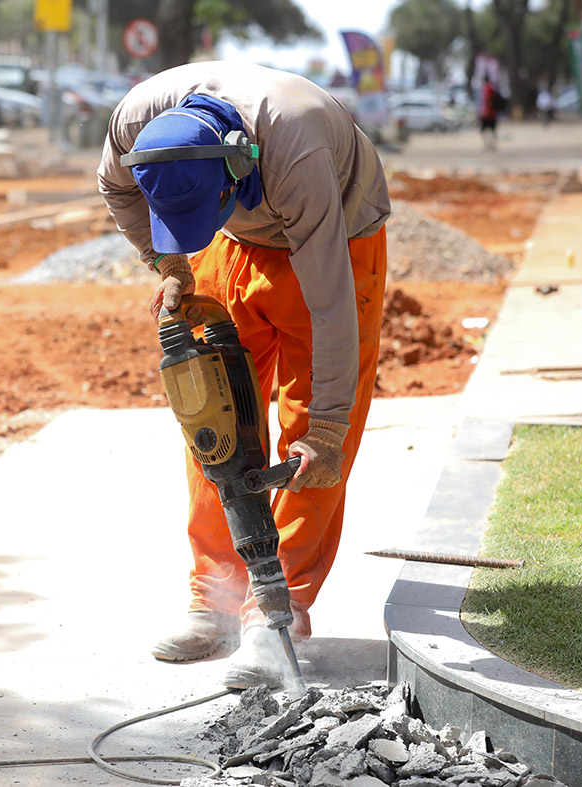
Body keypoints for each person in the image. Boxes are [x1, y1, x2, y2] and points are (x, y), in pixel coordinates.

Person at [98, 62, 390, 690]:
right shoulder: (135, 122)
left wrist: (330, 427)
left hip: (335, 236)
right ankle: (216, 595)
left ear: (238, 166)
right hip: (236, 240)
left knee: (312, 437)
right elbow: (114, 187)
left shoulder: (297, 148)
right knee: (214, 417)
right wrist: (168, 263)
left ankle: (275, 610)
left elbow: (331, 302)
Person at [479, 75, 500, 150]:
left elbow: (489, 100)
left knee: (483, 131)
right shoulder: (491, 88)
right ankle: (491, 144)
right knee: (492, 131)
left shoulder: (488, 89)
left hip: (488, 114)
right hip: (492, 114)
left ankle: (489, 145)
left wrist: (486, 111)